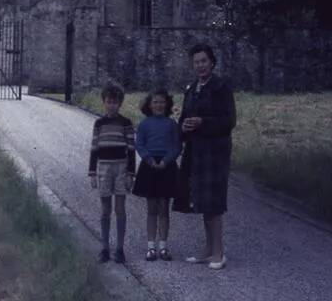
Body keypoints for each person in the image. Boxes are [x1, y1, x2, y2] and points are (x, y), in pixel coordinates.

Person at [175, 43, 236, 270]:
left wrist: (203, 123)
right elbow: (184, 119)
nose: (200, 65)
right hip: (195, 152)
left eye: (203, 61)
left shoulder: (221, 87)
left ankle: (219, 253)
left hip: (215, 153)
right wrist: (184, 127)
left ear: (212, 62)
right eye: (196, 62)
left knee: (214, 203)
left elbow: (229, 121)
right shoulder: (191, 89)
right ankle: (208, 250)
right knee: (201, 201)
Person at [88, 82, 136, 264]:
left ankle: (120, 249)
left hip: (121, 168)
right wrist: (92, 172)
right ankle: (105, 248)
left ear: (120, 103)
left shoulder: (126, 123)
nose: (111, 105)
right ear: (104, 102)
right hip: (103, 168)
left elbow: (131, 150)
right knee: (105, 209)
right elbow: (94, 149)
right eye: (108, 101)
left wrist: (131, 173)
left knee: (120, 209)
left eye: (115, 102)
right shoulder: (99, 124)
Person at [132, 90, 181, 261]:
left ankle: (163, 247)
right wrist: (150, 160)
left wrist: (165, 161)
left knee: (164, 209)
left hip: (166, 167)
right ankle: (151, 247)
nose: (159, 105)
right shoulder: (145, 124)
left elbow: (176, 146)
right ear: (149, 105)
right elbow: (140, 144)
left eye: (162, 102)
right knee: (151, 209)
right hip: (149, 166)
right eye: (155, 102)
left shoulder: (172, 124)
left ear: (167, 104)